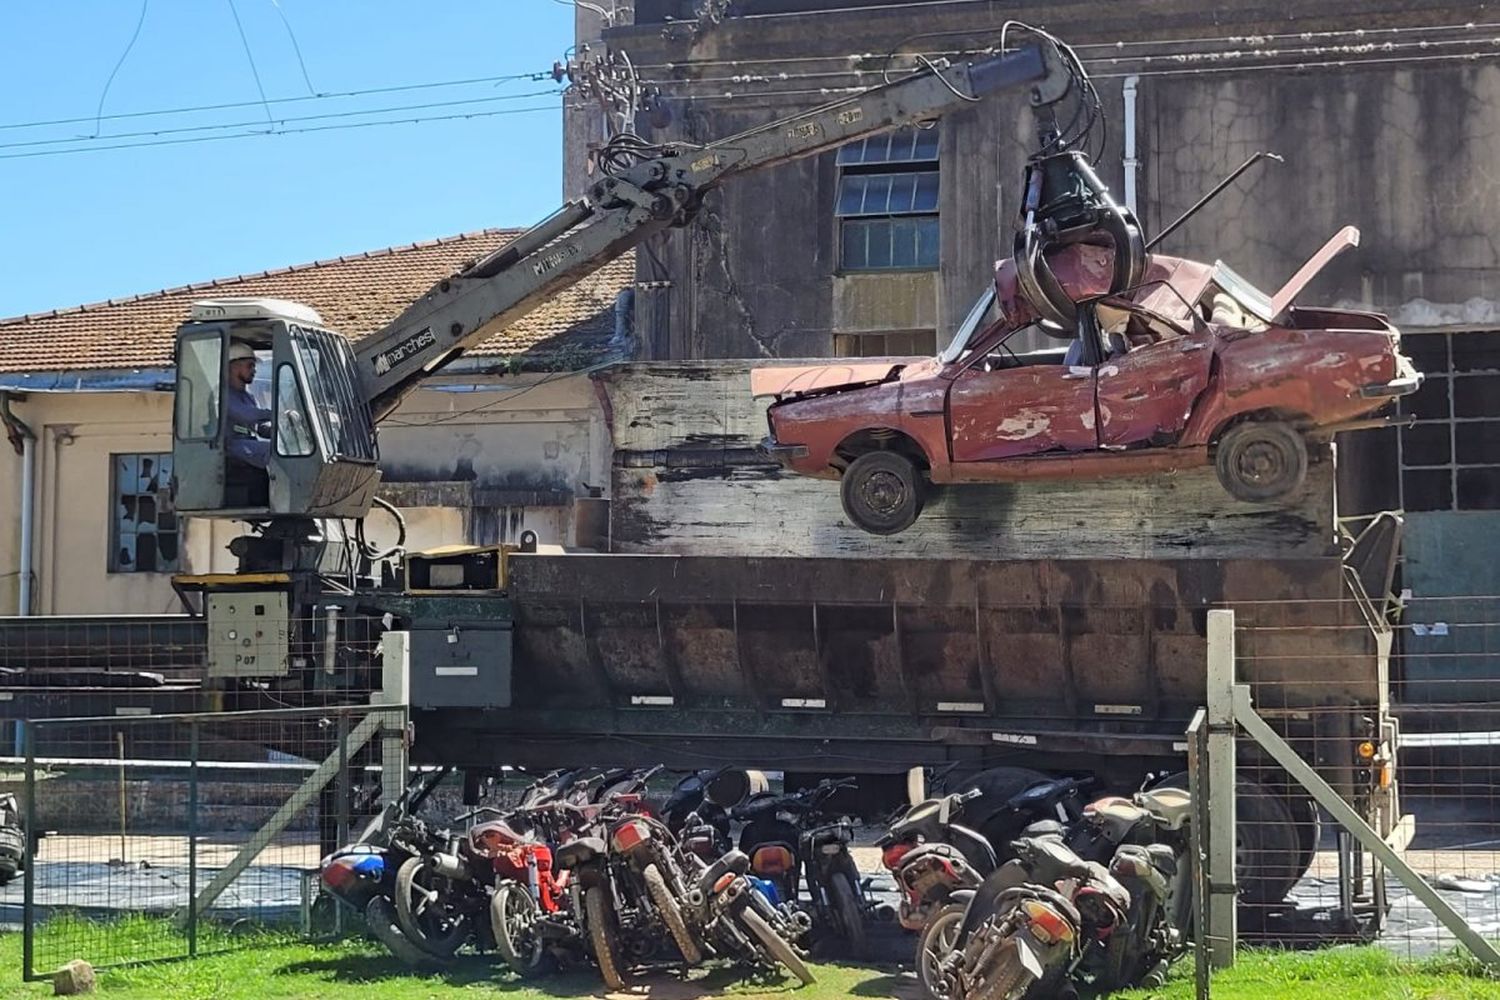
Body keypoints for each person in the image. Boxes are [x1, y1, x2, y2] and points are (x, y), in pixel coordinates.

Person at [225, 342, 271, 469]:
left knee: (284, 451)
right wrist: (274, 414)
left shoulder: (248, 397)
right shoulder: (224, 395)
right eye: (250, 366)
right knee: (270, 451)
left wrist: (277, 431)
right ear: (234, 366)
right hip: (231, 446)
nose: (254, 370)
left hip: (248, 443)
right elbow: (247, 415)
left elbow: (257, 427)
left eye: (254, 366)